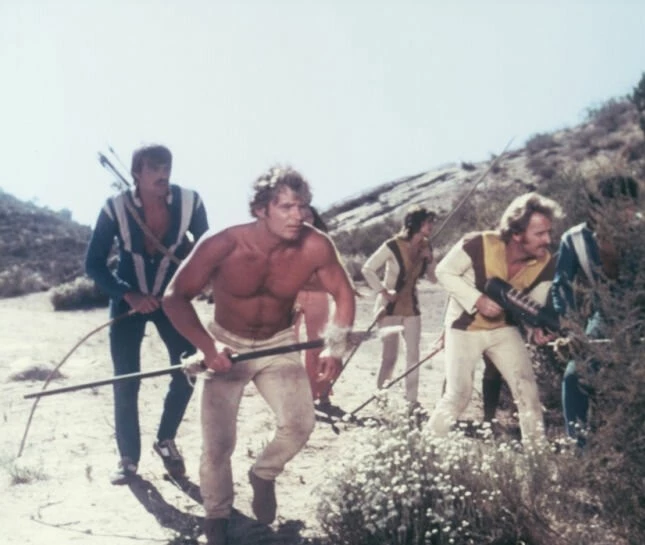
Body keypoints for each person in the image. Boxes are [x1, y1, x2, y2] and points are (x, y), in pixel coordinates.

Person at [161, 166, 356, 545]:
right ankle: (216, 516)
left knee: (300, 424)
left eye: (302, 206)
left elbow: (344, 294)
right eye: (286, 207)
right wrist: (208, 348)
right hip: (225, 345)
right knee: (218, 445)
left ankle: (263, 473)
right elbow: (174, 297)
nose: (298, 216)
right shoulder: (222, 243)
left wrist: (335, 345)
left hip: (277, 342)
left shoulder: (315, 245)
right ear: (261, 209)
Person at [85, 144, 209, 485]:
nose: (162, 174)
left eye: (166, 167)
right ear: (136, 172)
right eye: (154, 168)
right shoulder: (115, 207)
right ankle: (128, 459)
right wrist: (129, 294)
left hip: (173, 300)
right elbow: (93, 263)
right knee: (126, 378)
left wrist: (191, 285)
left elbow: (208, 251)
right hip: (128, 300)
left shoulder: (190, 202)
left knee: (189, 366)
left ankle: (166, 439)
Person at [428, 193, 562, 443]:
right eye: (539, 234)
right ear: (517, 234)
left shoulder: (546, 263)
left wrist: (535, 330)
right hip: (463, 328)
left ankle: (537, 457)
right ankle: (426, 448)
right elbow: (444, 271)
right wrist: (477, 300)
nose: (547, 240)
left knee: (527, 392)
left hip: (503, 329)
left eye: (548, 232)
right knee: (458, 395)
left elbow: (531, 307)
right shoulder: (478, 243)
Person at [552, 175, 639, 446]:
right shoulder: (574, 239)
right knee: (574, 377)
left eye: (628, 206)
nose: (623, 214)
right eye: (614, 207)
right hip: (605, 318)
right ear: (597, 209)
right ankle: (580, 452)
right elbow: (562, 287)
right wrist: (571, 330)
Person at [361, 205, 437, 405]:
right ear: (416, 223)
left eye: (432, 222)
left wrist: (430, 260)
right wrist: (383, 291)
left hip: (412, 307)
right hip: (388, 307)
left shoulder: (427, 246)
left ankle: (411, 402)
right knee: (390, 357)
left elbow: (433, 278)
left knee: (413, 356)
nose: (431, 226)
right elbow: (368, 269)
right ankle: (381, 397)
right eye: (427, 222)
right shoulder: (393, 245)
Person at [293, 206, 335, 409]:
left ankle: (320, 391)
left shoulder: (323, 241)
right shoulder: (285, 239)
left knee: (317, 345)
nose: (305, 220)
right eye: (301, 216)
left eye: (308, 216)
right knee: (289, 343)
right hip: (292, 295)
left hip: (318, 295)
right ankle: (294, 392)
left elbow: (333, 269)